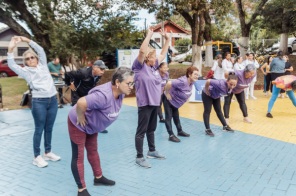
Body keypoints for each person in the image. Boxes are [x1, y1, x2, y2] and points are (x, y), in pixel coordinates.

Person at [68, 67, 134, 196]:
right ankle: (81, 190)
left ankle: (98, 178)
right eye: (129, 83)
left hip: (92, 126)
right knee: (78, 156)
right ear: (117, 82)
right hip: (78, 124)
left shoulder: (120, 93)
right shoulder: (103, 96)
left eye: (132, 83)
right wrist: (81, 117)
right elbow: (81, 102)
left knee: (93, 150)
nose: (131, 86)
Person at [7, 36, 61, 168]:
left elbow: (40, 49)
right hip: (39, 102)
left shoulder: (43, 65)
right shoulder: (25, 71)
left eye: (32, 57)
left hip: (52, 100)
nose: (30, 59)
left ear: (36, 58)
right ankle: (37, 156)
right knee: (39, 129)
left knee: (49, 128)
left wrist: (26, 40)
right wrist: (10, 48)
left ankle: (47, 152)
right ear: (25, 62)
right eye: (27, 58)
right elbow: (11, 64)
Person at [132, 28, 170, 168]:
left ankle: (152, 151)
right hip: (144, 103)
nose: (156, 59)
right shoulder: (139, 67)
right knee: (141, 131)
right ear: (148, 57)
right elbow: (142, 51)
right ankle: (139, 156)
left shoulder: (154, 69)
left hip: (155, 103)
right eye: (153, 57)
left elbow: (163, 53)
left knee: (151, 128)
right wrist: (149, 34)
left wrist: (167, 40)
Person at [65, 60, 108, 133]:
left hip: (87, 94)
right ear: (94, 67)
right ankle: (78, 129)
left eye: (104, 69)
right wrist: (69, 84)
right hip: (77, 94)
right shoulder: (83, 72)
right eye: (101, 69)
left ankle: (97, 126)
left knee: (95, 109)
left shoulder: (98, 75)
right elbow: (68, 74)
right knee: (78, 112)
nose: (103, 71)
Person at [162, 66, 199, 142]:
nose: (197, 76)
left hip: (175, 103)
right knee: (168, 117)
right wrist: (167, 93)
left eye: (197, 75)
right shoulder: (183, 81)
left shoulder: (191, 82)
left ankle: (179, 131)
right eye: (195, 74)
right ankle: (171, 135)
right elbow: (169, 83)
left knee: (176, 117)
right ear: (189, 74)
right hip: (169, 100)